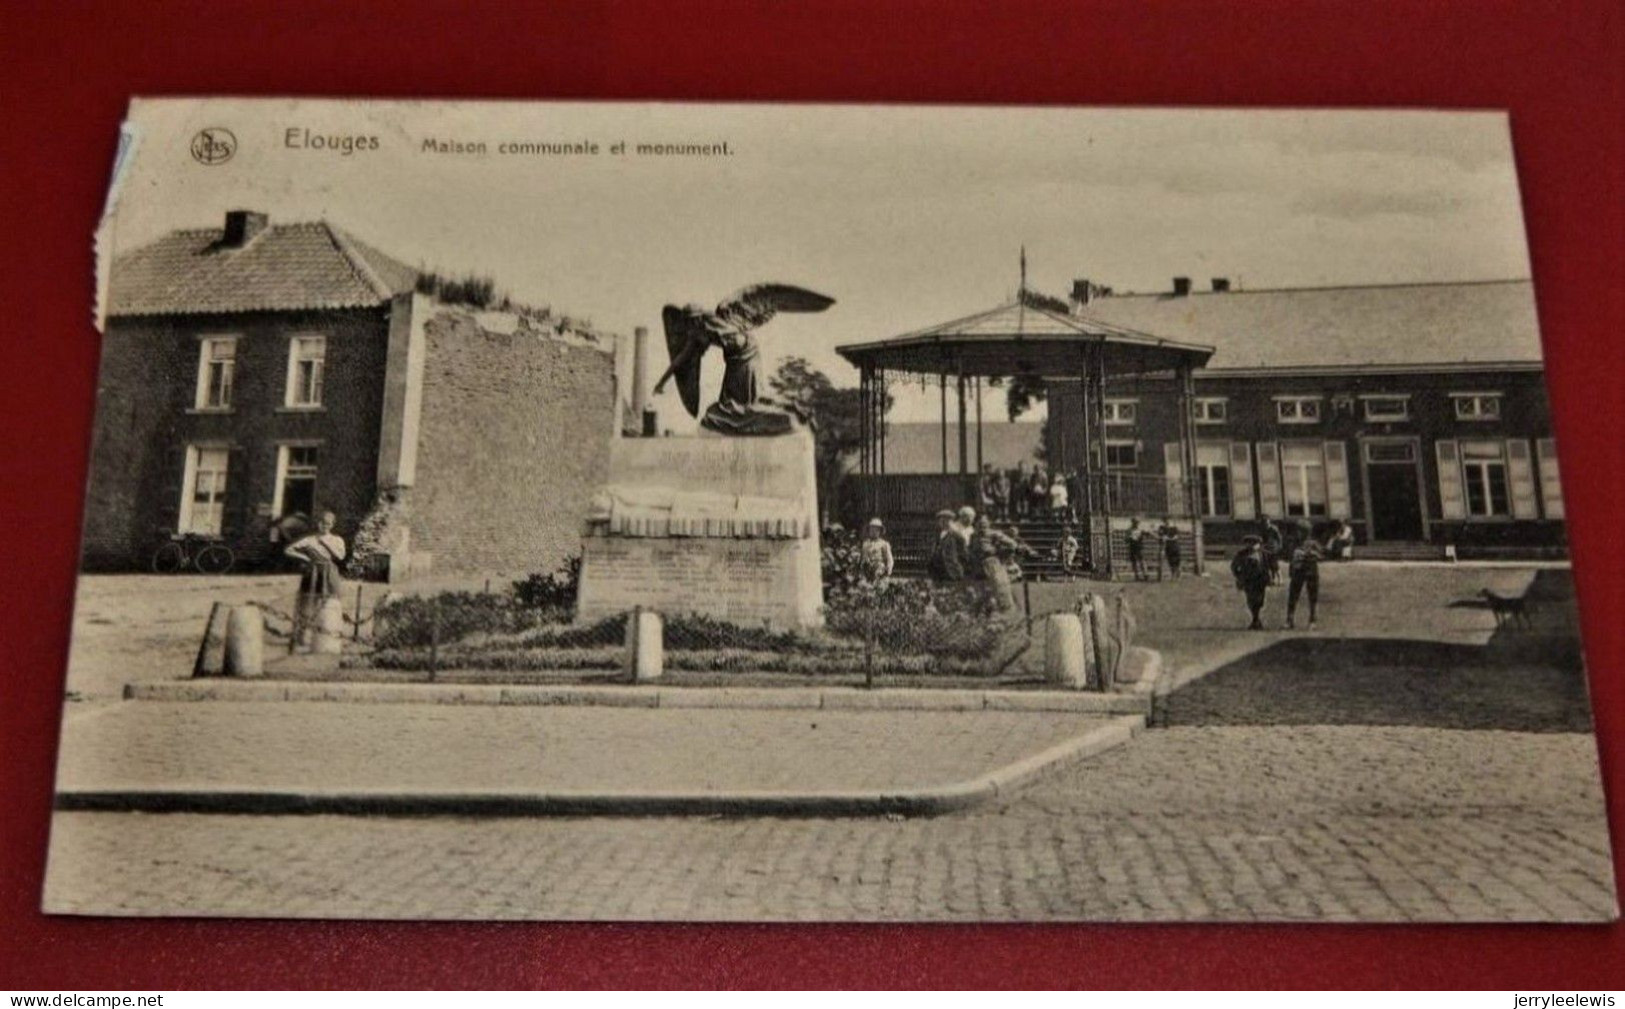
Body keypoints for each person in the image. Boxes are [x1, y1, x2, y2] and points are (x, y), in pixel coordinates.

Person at [286, 510, 347, 649]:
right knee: (309, 601)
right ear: (318, 524)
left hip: (329, 571)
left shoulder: (337, 539)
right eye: (321, 522)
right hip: (312, 571)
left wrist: (326, 544)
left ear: (332, 524)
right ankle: (305, 637)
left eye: (327, 523)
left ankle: (329, 636)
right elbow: (289, 550)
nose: (324, 525)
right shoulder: (310, 539)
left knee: (330, 601)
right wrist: (305, 558)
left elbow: (340, 557)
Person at [967, 514, 1028, 614]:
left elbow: (1012, 543)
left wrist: (1001, 552)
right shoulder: (973, 536)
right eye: (980, 524)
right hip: (977, 564)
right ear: (976, 524)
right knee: (981, 588)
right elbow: (970, 549)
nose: (982, 526)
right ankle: (985, 610)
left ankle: (1007, 609)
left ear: (988, 524)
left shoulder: (994, 534)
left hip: (992, 563)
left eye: (984, 523)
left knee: (998, 585)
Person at [1230, 534, 1272, 630]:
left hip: (1260, 580)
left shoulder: (1264, 554)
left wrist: (1270, 578)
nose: (1252, 545)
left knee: (1260, 600)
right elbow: (1234, 566)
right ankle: (1255, 620)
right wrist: (1239, 576)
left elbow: (1268, 566)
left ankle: (1256, 620)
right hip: (1248, 580)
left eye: (1254, 543)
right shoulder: (1242, 554)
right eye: (1249, 543)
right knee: (1251, 600)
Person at [1286, 525, 1324, 629]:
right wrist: (1291, 569)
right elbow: (1290, 558)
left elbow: (1322, 555)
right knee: (1293, 595)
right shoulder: (1294, 544)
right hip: (1298, 571)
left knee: (1312, 596)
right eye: (1297, 531)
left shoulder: (1313, 543)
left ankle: (1312, 620)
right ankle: (1290, 619)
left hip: (1310, 571)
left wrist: (1311, 554)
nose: (1298, 533)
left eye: (1301, 531)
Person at [927, 509, 966, 583]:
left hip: (951, 571)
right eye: (940, 521)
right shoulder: (937, 535)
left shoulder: (956, 536)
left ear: (951, 522)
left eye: (946, 520)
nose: (942, 523)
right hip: (937, 571)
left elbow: (963, 554)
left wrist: (957, 565)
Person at [859, 517, 894, 586]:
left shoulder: (884, 544)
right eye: (872, 529)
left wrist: (888, 571)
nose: (873, 532)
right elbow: (862, 558)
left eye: (876, 530)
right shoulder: (865, 543)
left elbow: (889, 559)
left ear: (880, 531)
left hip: (879, 571)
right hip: (867, 572)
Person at [1260, 515, 1285, 585]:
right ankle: (1273, 579)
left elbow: (1279, 538)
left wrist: (1280, 545)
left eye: (1267, 521)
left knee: (1275, 564)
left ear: (1269, 521)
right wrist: (1262, 547)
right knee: (1268, 565)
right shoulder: (1264, 530)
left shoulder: (1274, 529)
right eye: (1264, 522)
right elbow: (1263, 540)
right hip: (1267, 549)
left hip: (1273, 548)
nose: (1266, 523)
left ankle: (1280, 579)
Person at [1157, 515, 1182, 580]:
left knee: (1176, 561)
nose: (1166, 522)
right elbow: (1161, 536)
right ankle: (1173, 574)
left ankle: (1178, 573)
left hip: (1174, 546)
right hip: (1167, 546)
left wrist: (1168, 538)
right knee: (1170, 561)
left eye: (1167, 520)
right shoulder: (1162, 528)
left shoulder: (1173, 528)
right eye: (1165, 520)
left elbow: (1177, 536)